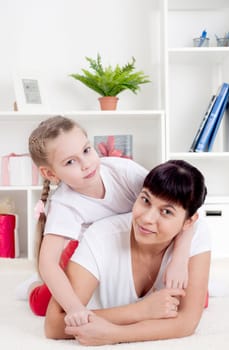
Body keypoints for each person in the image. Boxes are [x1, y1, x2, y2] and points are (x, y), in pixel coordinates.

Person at [18, 116, 195, 323]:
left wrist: (179, 260)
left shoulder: (123, 171)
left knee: (191, 297)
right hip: (94, 259)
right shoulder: (64, 205)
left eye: (86, 150)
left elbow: (182, 210)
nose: (86, 164)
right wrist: (75, 308)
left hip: (137, 251)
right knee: (44, 305)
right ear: (50, 173)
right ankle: (32, 286)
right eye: (70, 161)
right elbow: (48, 263)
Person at [44, 159, 211, 346]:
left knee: (197, 299)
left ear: (189, 222)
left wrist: (115, 334)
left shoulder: (196, 234)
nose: (147, 218)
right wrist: (142, 311)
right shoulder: (101, 236)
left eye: (166, 212)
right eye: (145, 200)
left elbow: (187, 323)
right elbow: (53, 325)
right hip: (79, 254)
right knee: (42, 297)